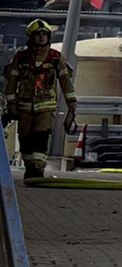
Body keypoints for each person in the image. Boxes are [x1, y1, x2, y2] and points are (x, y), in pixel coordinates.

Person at [2, 20, 77, 180]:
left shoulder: (55, 58)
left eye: (45, 34)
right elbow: (11, 83)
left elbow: (66, 82)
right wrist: (11, 105)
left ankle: (38, 168)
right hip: (24, 108)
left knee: (40, 137)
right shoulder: (21, 58)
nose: (42, 37)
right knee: (25, 138)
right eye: (39, 34)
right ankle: (30, 167)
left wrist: (72, 103)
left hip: (45, 107)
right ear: (31, 37)